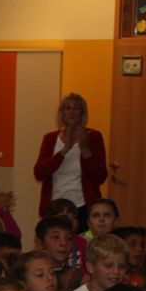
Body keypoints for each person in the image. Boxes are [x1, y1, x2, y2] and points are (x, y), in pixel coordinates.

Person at [33, 93, 108, 226]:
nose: (71, 112)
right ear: (62, 113)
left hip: (83, 206)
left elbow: (100, 177)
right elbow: (40, 173)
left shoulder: (94, 137)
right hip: (55, 206)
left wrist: (85, 149)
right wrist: (65, 149)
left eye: (76, 108)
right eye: (67, 108)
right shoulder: (50, 139)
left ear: (82, 113)